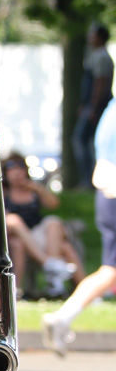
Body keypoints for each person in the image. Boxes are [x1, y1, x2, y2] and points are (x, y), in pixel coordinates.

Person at [42, 95, 116, 356]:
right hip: (112, 195)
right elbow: (105, 171)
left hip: (108, 199)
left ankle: (62, 318)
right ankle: (62, 318)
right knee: (110, 270)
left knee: (109, 271)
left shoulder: (110, 112)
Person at [2, 154, 84, 296]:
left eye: (20, 167)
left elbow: (54, 204)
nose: (16, 172)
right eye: (11, 168)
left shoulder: (33, 190)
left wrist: (36, 188)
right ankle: (49, 266)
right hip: (15, 238)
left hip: (38, 235)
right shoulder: (3, 192)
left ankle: (79, 289)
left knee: (54, 224)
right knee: (14, 222)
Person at [72, 23, 114, 187]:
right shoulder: (96, 55)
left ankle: (88, 182)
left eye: (92, 34)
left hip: (97, 107)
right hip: (92, 106)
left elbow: (100, 83)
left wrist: (93, 107)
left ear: (99, 37)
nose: (90, 37)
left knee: (82, 139)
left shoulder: (102, 57)